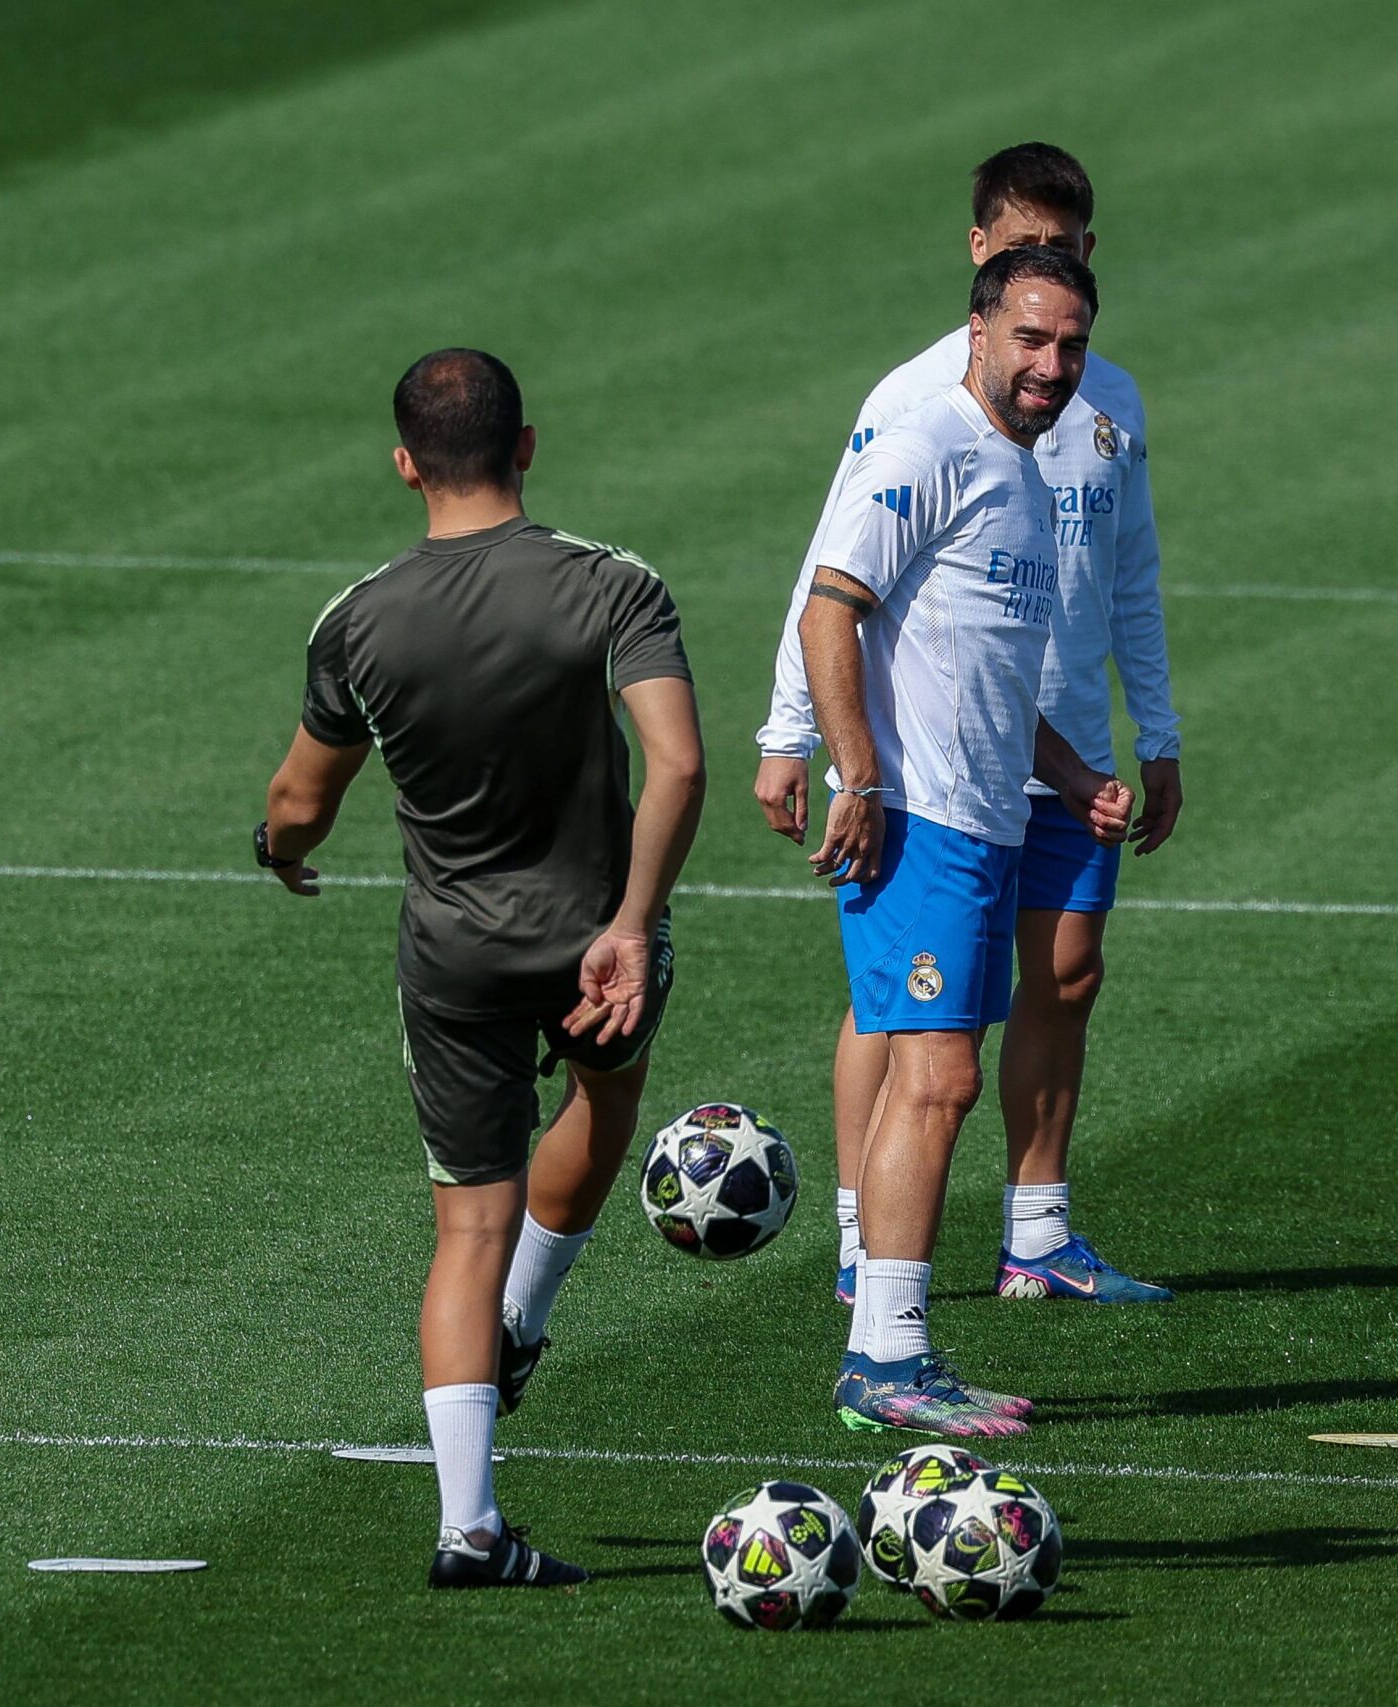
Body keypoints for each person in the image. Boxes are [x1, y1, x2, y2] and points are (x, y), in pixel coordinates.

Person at [260, 348, 704, 1586]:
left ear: (406, 465)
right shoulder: (612, 585)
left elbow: (299, 801)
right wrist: (631, 921)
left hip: (452, 956)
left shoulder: (358, 620)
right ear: (527, 446)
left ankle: (468, 1528)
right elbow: (676, 763)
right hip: (598, 942)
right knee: (605, 1101)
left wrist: (277, 852)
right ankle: (526, 1319)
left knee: (468, 1223)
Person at [756, 143, 1180, 1306]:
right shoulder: (918, 412)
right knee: (912, 1027)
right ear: (982, 260)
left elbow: (1128, 574)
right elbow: (829, 585)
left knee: (1056, 982)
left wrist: (1143, 735)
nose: (1047, 290)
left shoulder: (1084, 417)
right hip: (923, 766)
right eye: (1023, 255)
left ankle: (1030, 1239)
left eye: (1066, 256)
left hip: (1039, 750)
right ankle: (869, 1257)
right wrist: (802, 739)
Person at [803, 245, 1134, 1439]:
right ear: (980, 329)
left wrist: (1074, 776)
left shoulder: (1026, 476)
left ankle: (892, 1352)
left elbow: (989, 671)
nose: (1051, 365)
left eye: (1071, 346)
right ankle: (885, 1357)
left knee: (941, 1079)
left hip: (990, 817)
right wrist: (857, 773)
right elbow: (828, 609)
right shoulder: (923, 450)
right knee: (936, 1077)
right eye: (1031, 339)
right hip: (921, 818)